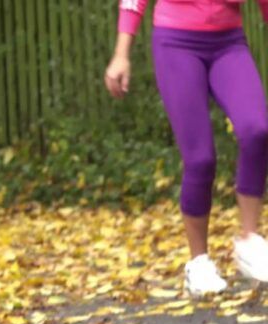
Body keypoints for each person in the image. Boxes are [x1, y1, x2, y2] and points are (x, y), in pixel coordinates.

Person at [104, 0, 268, 297]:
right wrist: (121, 54)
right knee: (201, 159)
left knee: (257, 130)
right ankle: (199, 263)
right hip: (176, 45)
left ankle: (249, 240)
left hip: (229, 43)